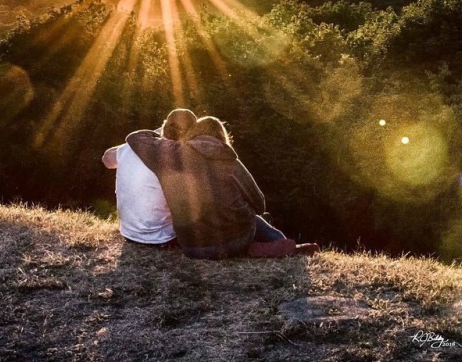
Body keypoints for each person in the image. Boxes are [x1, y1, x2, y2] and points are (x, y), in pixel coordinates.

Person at [127, 115, 319, 259]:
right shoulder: (229, 159)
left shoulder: (171, 154)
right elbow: (260, 204)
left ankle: (260, 247)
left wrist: (165, 135)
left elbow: (134, 138)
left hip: (192, 248)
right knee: (255, 218)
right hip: (236, 240)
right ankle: (282, 246)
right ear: (221, 135)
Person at [102, 108, 196, 247]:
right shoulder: (177, 157)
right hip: (162, 238)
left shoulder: (130, 148)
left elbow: (107, 160)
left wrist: (137, 142)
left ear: (164, 126)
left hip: (129, 233)